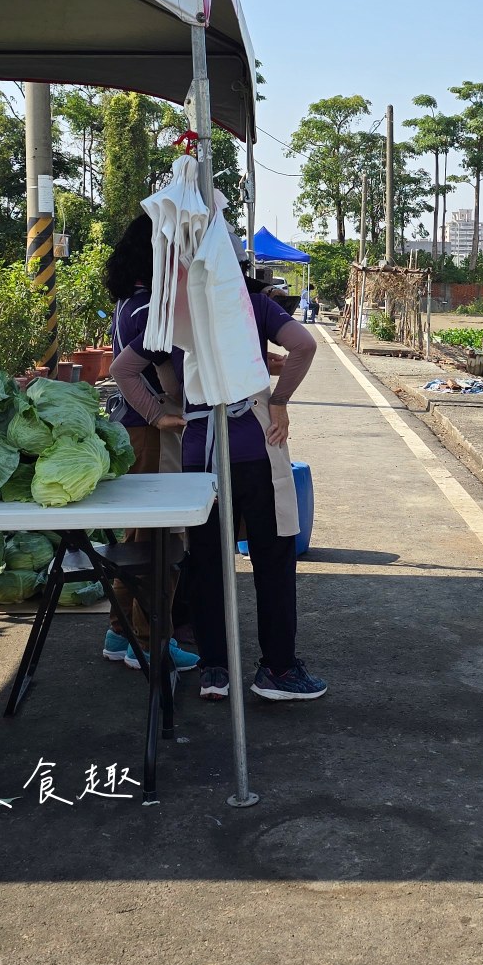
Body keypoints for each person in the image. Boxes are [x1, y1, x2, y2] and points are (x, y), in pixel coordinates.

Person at [111, 232, 324, 703]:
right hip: (258, 452)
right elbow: (304, 346)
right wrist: (281, 401)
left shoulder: (174, 314)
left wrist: (158, 415)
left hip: (199, 458)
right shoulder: (254, 305)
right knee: (272, 561)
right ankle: (278, 670)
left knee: (207, 564)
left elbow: (122, 370)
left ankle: (214, 670)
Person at [100, 216, 199, 675]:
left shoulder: (129, 302)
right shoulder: (149, 310)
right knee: (162, 543)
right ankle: (150, 640)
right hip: (150, 432)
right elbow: (124, 370)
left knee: (138, 538)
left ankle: (119, 633)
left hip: (132, 430)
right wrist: (160, 415)